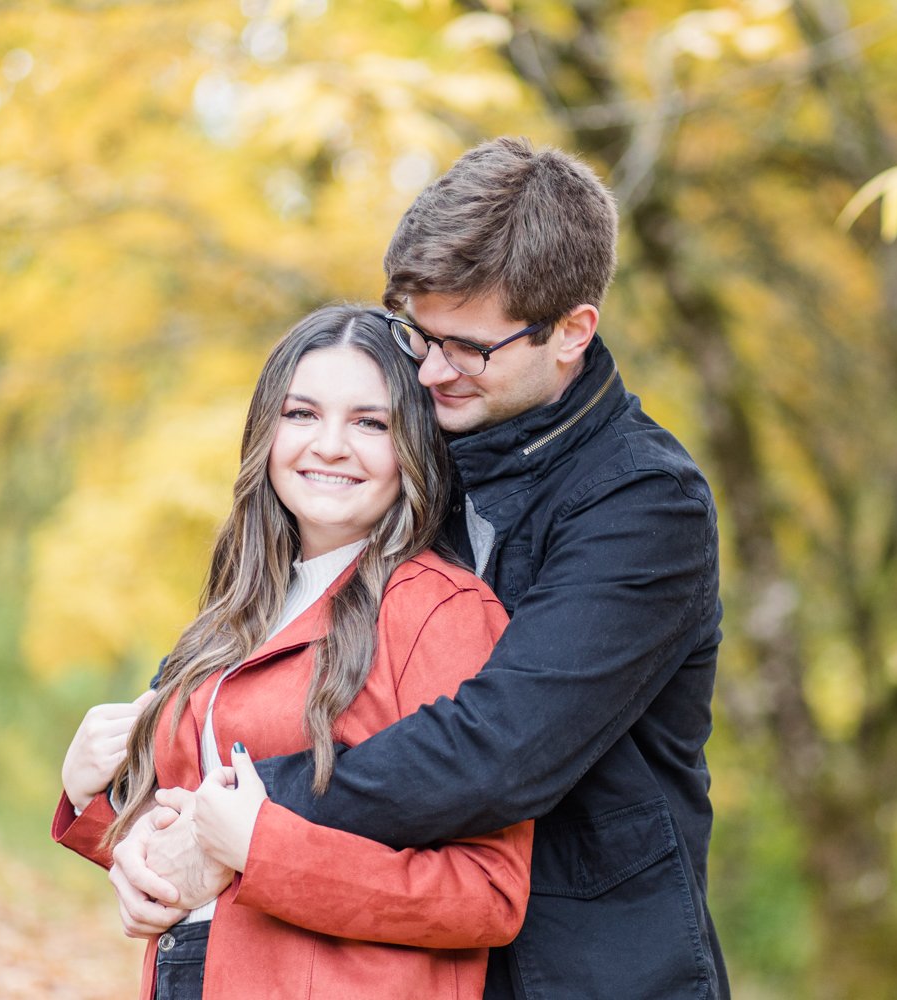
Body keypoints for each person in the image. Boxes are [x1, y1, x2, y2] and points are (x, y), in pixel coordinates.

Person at [117, 136, 728, 999]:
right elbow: (269, 644)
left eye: (467, 347)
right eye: (418, 334)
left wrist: (231, 809)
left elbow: (496, 748)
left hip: (587, 966)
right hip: (399, 957)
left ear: (571, 333)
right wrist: (151, 801)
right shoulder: (424, 453)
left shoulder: (644, 507)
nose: (431, 372)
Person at [52, 306, 533, 1000]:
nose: (330, 445)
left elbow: (486, 892)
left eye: (371, 423)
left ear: (415, 445)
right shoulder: (238, 610)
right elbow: (191, 840)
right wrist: (100, 810)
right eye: (301, 414)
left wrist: (260, 852)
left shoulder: (440, 612)